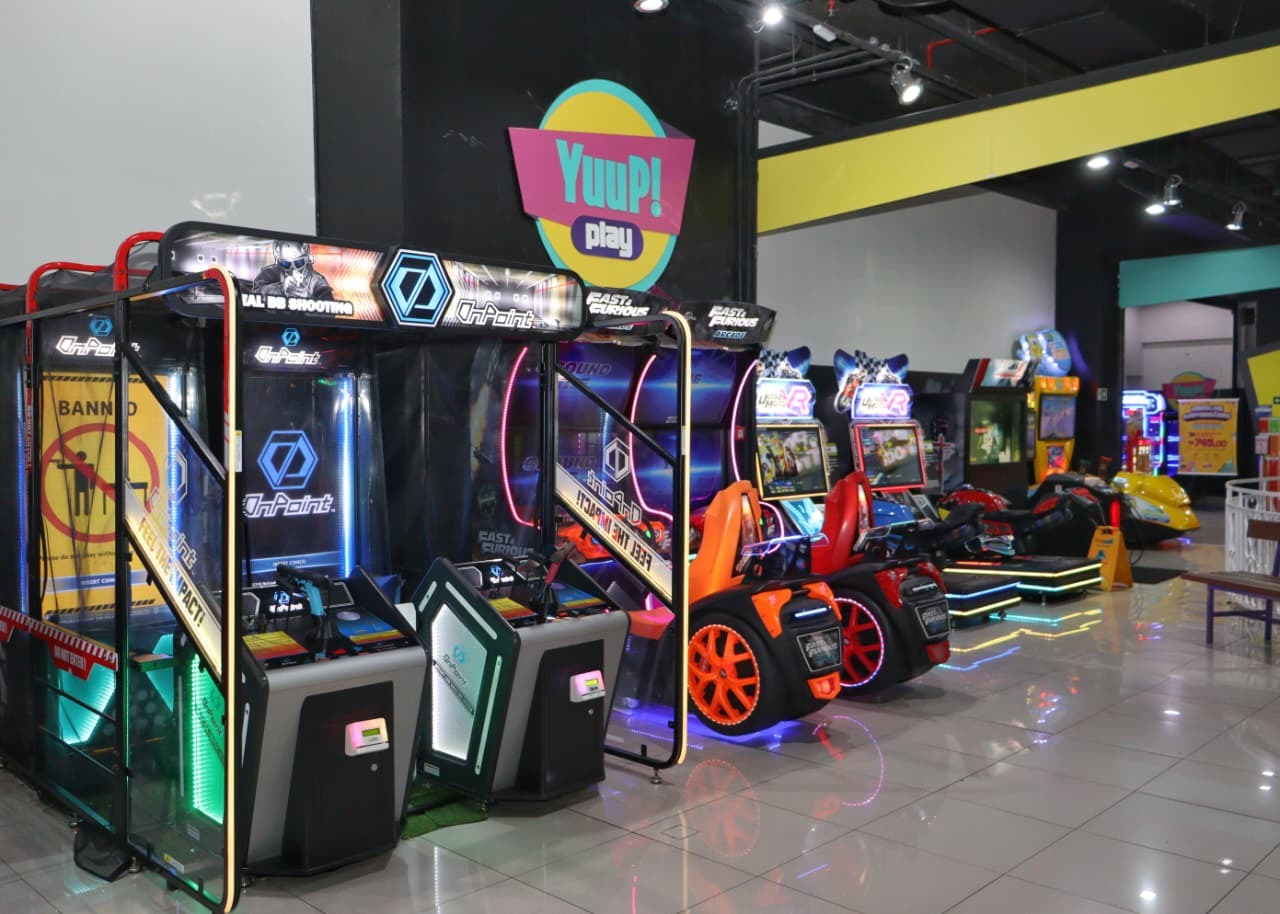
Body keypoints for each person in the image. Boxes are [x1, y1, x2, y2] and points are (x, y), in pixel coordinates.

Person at [252, 240, 334, 300]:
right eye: (286, 264)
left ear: (306, 259)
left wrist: (308, 299)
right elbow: (255, 294)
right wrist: (282, 290)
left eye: (298, 263)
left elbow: (330, 310)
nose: (293, 270)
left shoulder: (317, 281)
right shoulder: (268, 273)